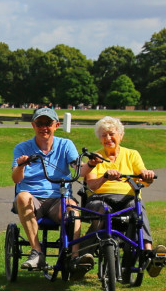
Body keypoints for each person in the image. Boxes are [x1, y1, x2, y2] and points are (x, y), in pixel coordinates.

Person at [79, 116, 165, 276]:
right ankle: (86, 255)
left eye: (111, 134)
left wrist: (146, 175)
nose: (108, 138)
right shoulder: (95, 157)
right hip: (100, 198)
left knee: (137, 209)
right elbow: (92, 185)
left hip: (127, 198)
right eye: (103, 135)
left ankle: (148, 254)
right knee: (101, 210)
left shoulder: (132, 154)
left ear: (120, 135)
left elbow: (143, 177)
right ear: (100, 139)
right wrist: (105, 176)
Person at [12, 107, 83, 271]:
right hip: (32, 198)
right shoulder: (22, 148)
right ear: (33, 125)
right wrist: (21, 166)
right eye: (39, 123)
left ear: (56, 125)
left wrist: (90, 165)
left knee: (73, 210)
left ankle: (75, 257)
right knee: (22, 196)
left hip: (58, 198)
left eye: (48, 123)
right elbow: (16, 179)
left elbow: (77, 167)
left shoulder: (66, 145)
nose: (44, 127)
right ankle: (37, 252)